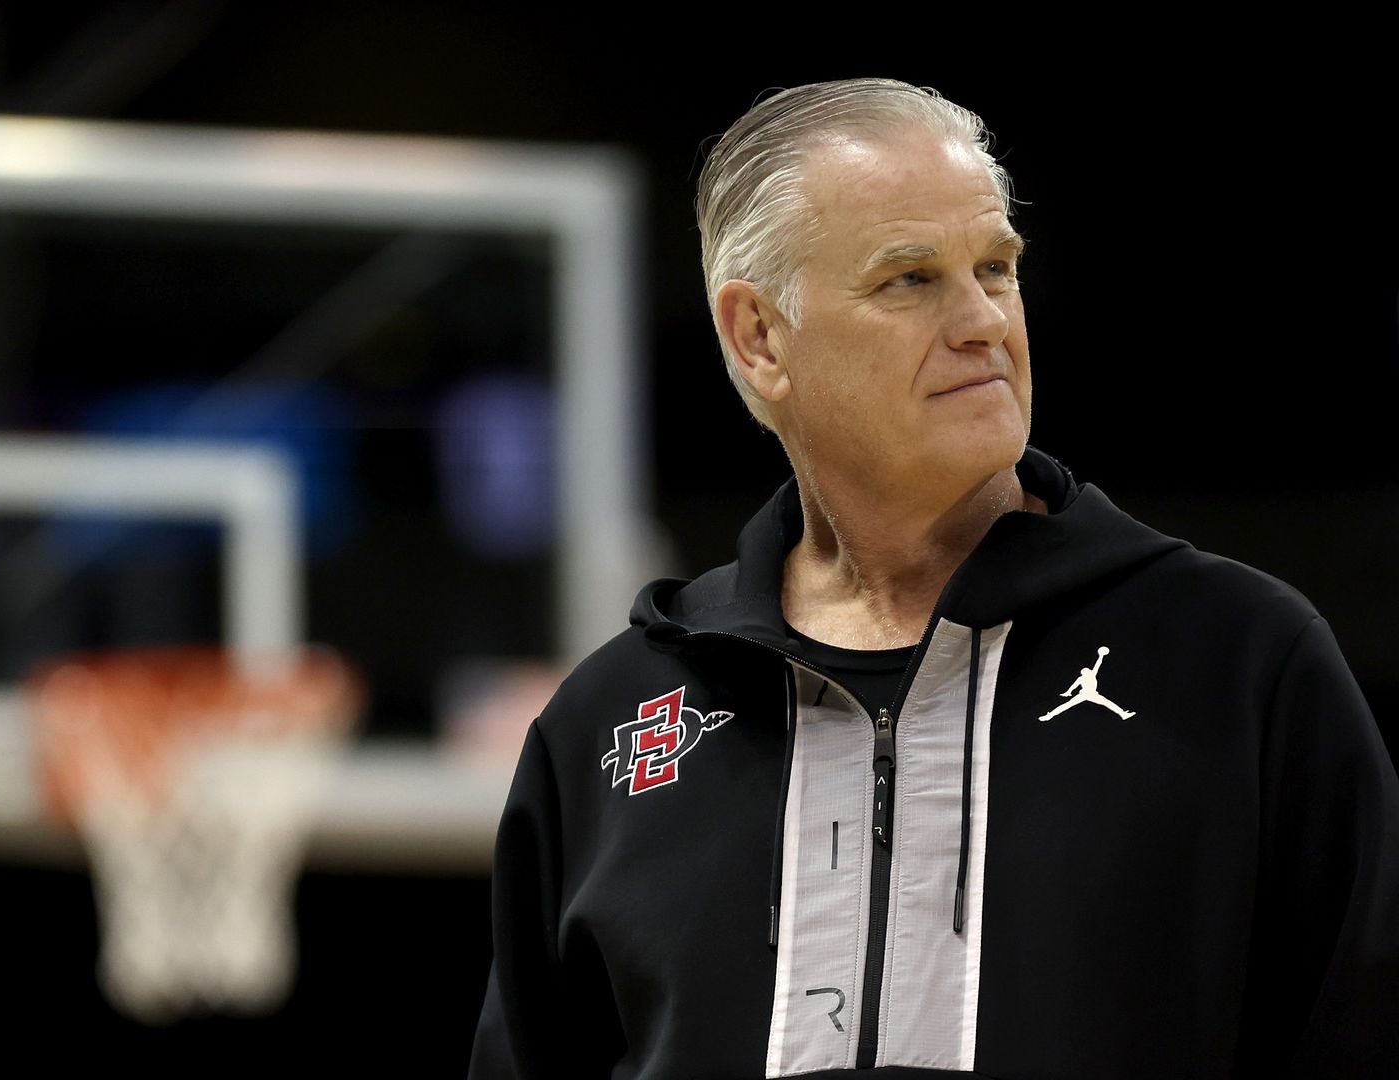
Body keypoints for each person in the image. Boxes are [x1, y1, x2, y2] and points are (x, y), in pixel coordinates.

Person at [468, 78, 1399, 1078]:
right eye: (909, 278)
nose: (982, 321)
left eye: (996, 267)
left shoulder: (1240, 660)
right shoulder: (612, 721)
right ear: (760, 337)